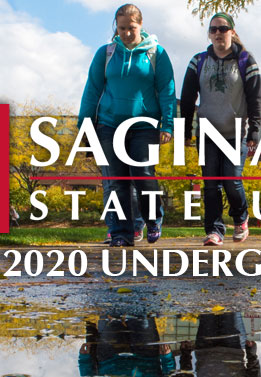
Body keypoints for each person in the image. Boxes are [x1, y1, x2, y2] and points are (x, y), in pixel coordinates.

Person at [79, 3, 175, 247]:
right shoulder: (106, 53)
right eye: (121, 28)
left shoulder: (156, 53)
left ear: (140, 25)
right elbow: (92, 90)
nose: (126, 33)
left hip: (145, 125)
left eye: (131, 27)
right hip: (109, 125)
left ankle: (152, 218)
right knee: (116, 181)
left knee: (143, 174)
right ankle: (121, 233)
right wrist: (85, 125)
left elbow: (167, 89)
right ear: (116, 28)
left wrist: (168, 124)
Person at [180, 12, 261, 246]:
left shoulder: (246, 60)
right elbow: (187, 98)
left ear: (232, 32)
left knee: (232, 180)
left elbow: (255, 98)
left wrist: (254, 131)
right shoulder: (198, 61)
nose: (218, 33)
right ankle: (214, 230)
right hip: (206, 132)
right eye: (213, 29)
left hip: (234, 131)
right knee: (210, 183)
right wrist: (186, 130)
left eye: (223, 29)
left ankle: (240, 219)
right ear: (209, 34)